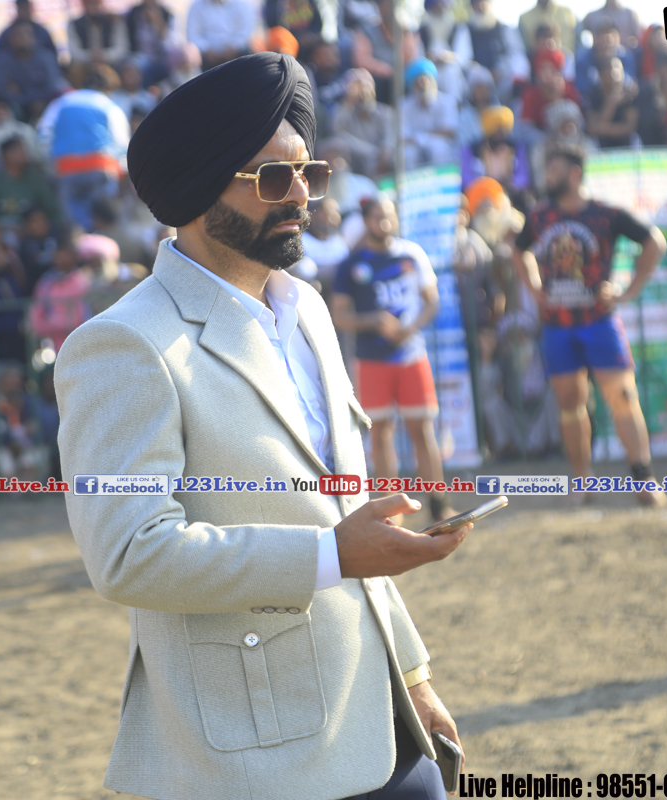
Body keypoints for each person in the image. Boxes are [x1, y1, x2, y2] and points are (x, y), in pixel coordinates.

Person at [59, 52, 466, 800]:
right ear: (198, 190)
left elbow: (343, 511)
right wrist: (330, 555)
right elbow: (128, 554)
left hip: (382, 719)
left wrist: (414, 676)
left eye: (309, 172)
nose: (301, 195)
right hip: (253, 748)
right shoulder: (124, 344)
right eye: (274, 178)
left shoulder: (306, 308)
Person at [513, 144, 667, 506]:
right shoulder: (539, 216)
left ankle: (644, 479)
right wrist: (533, 288)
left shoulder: (605, 214)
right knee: (570, 403)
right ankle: (582, 482)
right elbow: (519, 251)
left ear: (575, 174)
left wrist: (628, 290)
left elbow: (654, 243)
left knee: (624, 397)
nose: (548, 176)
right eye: (547, 169)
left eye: (554, 169)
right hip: (558, 326)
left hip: (599, 321)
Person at [331, 194, 451, 520]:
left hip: (411, 356)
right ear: (365, 221)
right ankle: (391, 511)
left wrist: (410, 328)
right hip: (371, 360)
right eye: (377, 217)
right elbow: (339, 315)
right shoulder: (351, 264)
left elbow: (432, 301)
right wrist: (374, 321)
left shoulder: (412, 254)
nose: (384, 223)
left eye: (389, 216)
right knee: (381, 434)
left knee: (422, 430)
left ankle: (438, 504)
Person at [36, 67, 130, 232]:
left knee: (74, 223)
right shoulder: (108, 105)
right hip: (101, 167)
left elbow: (43, 132)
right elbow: (122, 143)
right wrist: (121, 171)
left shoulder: (62, 102)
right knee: (101, 220)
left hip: (67, 168)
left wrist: (52, 160)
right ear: (107, 88)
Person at [0, 21, 68, 122]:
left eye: (27, 33)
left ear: (34, 37)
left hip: (45, 102)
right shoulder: (3, 60)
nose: (23, 37)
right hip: (17, 106)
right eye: (18, 34)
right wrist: (28, 101)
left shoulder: (46, 57)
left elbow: (51, 85)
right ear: (10, 39)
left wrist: (28, 95)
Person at [28, 233, 90, 349]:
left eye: (66, 254)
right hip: (50, 346)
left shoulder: (83, 281)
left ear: (74, 256)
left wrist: (62, 325)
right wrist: (50, 327)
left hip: (79, 344)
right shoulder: (46, 282)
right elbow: (36, 314)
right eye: (59, 254)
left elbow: (84, 316)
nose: (62, 258)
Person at [331, 68, 394, 178]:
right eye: (358, 87)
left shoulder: (385, 112)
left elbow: (390, 139)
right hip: (356, 163)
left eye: (366, 86)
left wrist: (385, 151)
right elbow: (338, 134)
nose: (363, 91)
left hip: (383, 161)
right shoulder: (346, 112)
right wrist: (349, 101)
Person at [399, 58, 457, 169]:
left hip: (439, 145)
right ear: (413, 85)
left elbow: (449, 132)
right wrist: (423, 138)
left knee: (438, 148)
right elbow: (402, 137)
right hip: (413, 146)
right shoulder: (403, 105)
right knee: (407, 154)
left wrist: (421, 137)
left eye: (427, 80)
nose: (423, 85)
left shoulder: (447, 101)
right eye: (419, 82)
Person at [585, 54, 638, 148]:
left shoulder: (629, 94)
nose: (615, 78)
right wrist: (611, 103)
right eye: (610, 74)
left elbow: (630, 128)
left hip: (626, 145)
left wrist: (602, 129)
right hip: (600, 145)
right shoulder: (593, 95)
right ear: (601, 75)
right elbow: (592, 128)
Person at [186, 0, 255, 71]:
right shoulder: (196, 6)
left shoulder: (242, 4)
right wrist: (206, 50)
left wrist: (234, 47)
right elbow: (193, 35)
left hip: (237, 53)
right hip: (207, 57)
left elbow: (245, 32)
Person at [125, 0, 176, 87]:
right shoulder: (133, 14)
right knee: (136, 66)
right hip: (139, 56)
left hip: (161, 57)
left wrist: (158, 23)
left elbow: (171, 45)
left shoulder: (167, 14)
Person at [69, 0, 130, 68]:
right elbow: (74, 52)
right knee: (75, 68)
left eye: (95, 3)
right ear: (83, 4)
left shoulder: (113, 21)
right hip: (84, 65)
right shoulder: (75, 24)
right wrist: (90, 56)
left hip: (112, 64)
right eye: (90, 3)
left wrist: (104, 56)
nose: (92, 6)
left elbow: (121, 49)